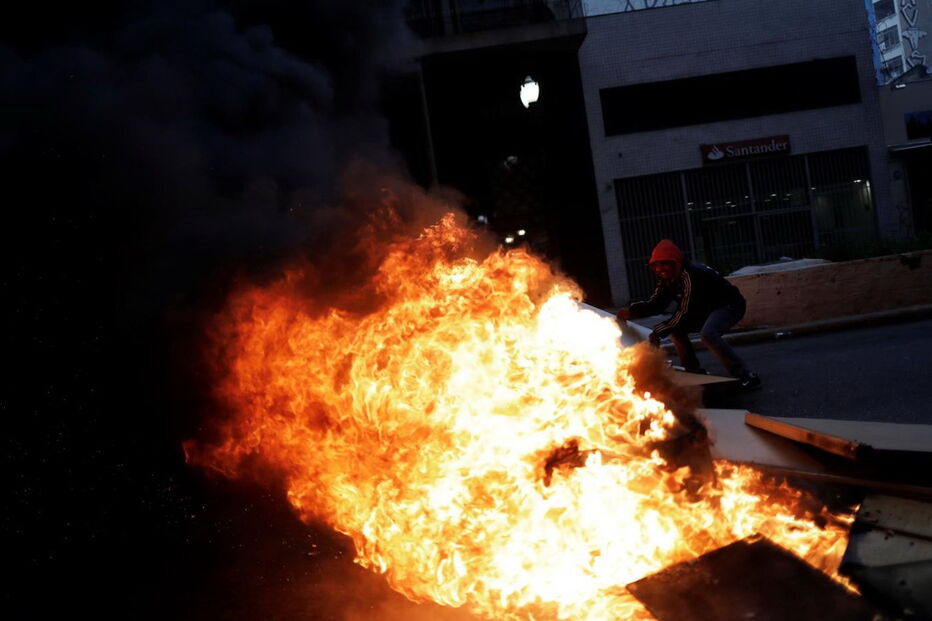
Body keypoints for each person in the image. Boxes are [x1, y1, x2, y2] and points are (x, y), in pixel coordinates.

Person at [616, 239, 762, 390]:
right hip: (704, 309)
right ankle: (694, 373)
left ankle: (746, 376)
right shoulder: (668, 278)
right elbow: (658, 303)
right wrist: (631, 312)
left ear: (676, 263)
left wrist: (659, 331)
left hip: (728, 306)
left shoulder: (691, 276)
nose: (660, 270)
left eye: (664, 264)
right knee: (676, 330)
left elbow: (685, 311)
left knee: (708, 334)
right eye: (656, 266)